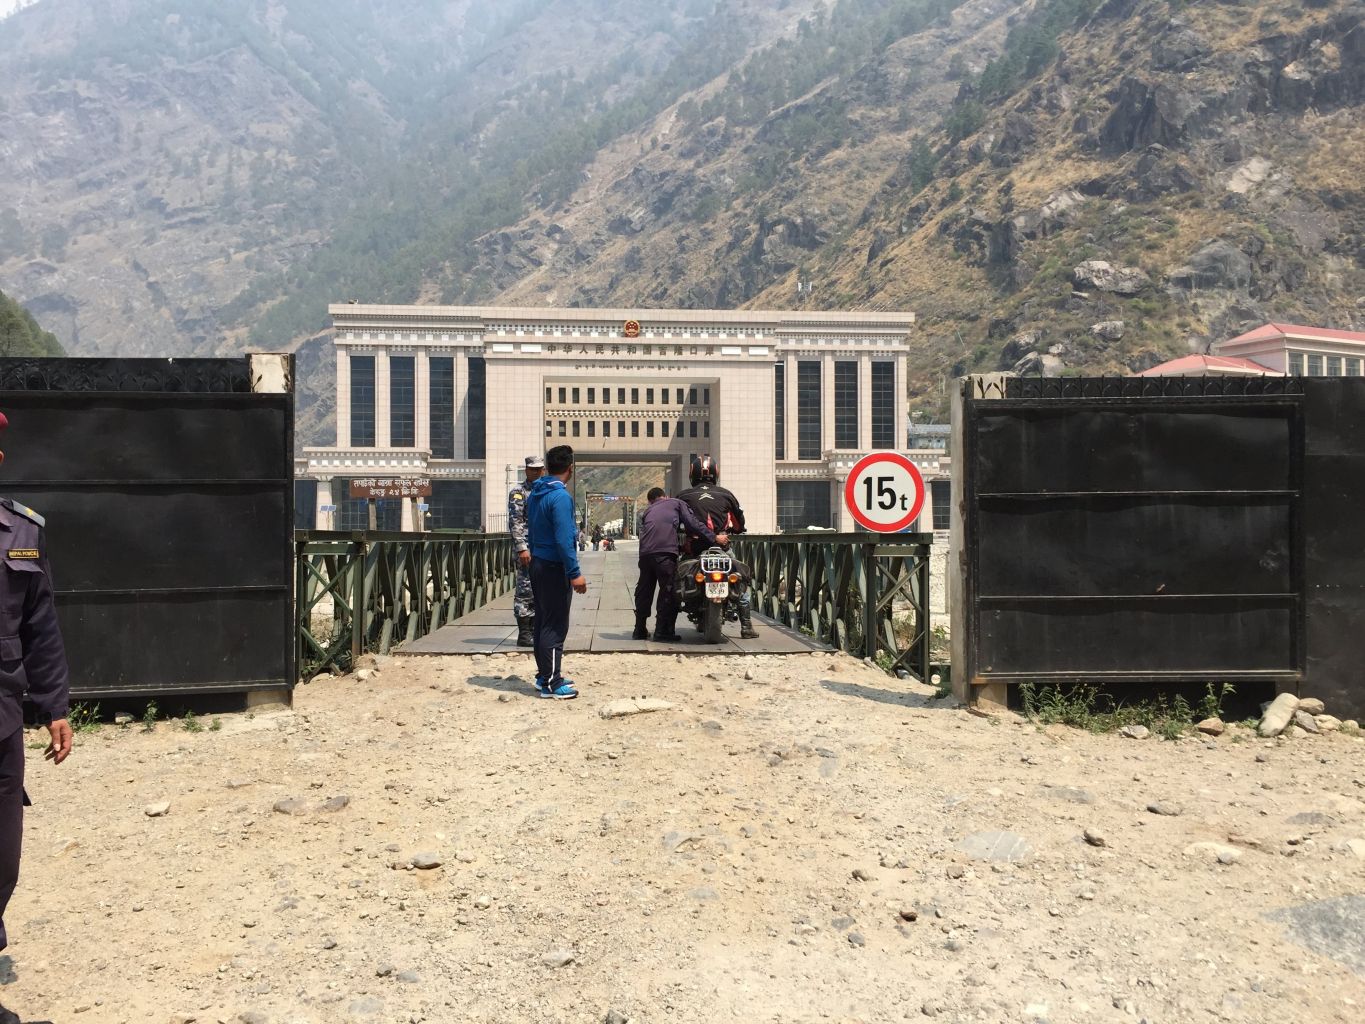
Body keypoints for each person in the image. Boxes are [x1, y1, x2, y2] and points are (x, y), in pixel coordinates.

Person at [0, 409, 72, 1020]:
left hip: (0, 725)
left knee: (3, 857)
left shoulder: (19, 532)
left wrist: (53, 707)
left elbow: (39, 626)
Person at [526, 445, 587, 699]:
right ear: (570, 469)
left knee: (542, 620)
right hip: (554, 566)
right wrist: (575, 573)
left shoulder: (536, 493)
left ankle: (544, 675)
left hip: (538, 563)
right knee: (555, 625)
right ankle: (553, 682)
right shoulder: (560, 497)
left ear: (547, 467)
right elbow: (564, 539)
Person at [677, 454, 759, 639]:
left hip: (695, 548)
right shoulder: (726, 494)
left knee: (679, 576)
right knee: (739, 579)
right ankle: (746, 626)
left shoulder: (683, 496)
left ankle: (667, 623)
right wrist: (733, 530)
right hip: (721, 547)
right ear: (715, 473)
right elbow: (739, 524)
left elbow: (677, 522)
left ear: (693, 474)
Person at [634, 487, 725, 642]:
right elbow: (692, 523)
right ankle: (663, 632)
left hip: (645, 554)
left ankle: (639, 629)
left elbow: (657, 530)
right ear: (665, 496)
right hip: (665, 553)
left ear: (650, 501)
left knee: (645, 589)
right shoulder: (675, 503)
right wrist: (714, 538)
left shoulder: (648, 511)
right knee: (669, 590)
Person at [508, 455, 545, 647]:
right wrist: (522, 548)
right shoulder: (518, 492)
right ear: (526, 470)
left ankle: (536, 629)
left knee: (542, 589)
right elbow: (516, 522)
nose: (536, 472)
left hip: (543, 548)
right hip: (528, 549)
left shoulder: (546, 491)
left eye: (539, 469)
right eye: (532, 469)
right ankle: (524, 632)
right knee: (525, 589)